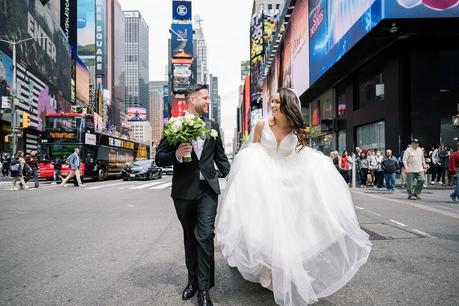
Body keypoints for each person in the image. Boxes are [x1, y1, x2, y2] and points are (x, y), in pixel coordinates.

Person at [217, 88, 371, 306]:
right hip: (263, 177)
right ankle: (268, 265)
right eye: (272, 101)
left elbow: (300, 155)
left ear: (288, 104)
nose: (273, 105)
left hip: (289, 178)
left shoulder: (298, 129)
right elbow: (252, 151)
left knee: (293, 226)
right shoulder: (262, 125)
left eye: (277, 102)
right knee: (265, 223)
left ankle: (289, 264)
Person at [155, 84, 231, 306]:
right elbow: (160, 157)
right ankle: (193, 281)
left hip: (208, 189)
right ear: (192, 100)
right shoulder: (174, 124)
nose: (208, 102)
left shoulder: (212, 125)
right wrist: (176, 154)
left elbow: (221, 159)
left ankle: (205, 290)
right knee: (190, 237)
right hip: (183, 191)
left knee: (205, 236)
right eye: (205, 98)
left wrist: (237, 179)